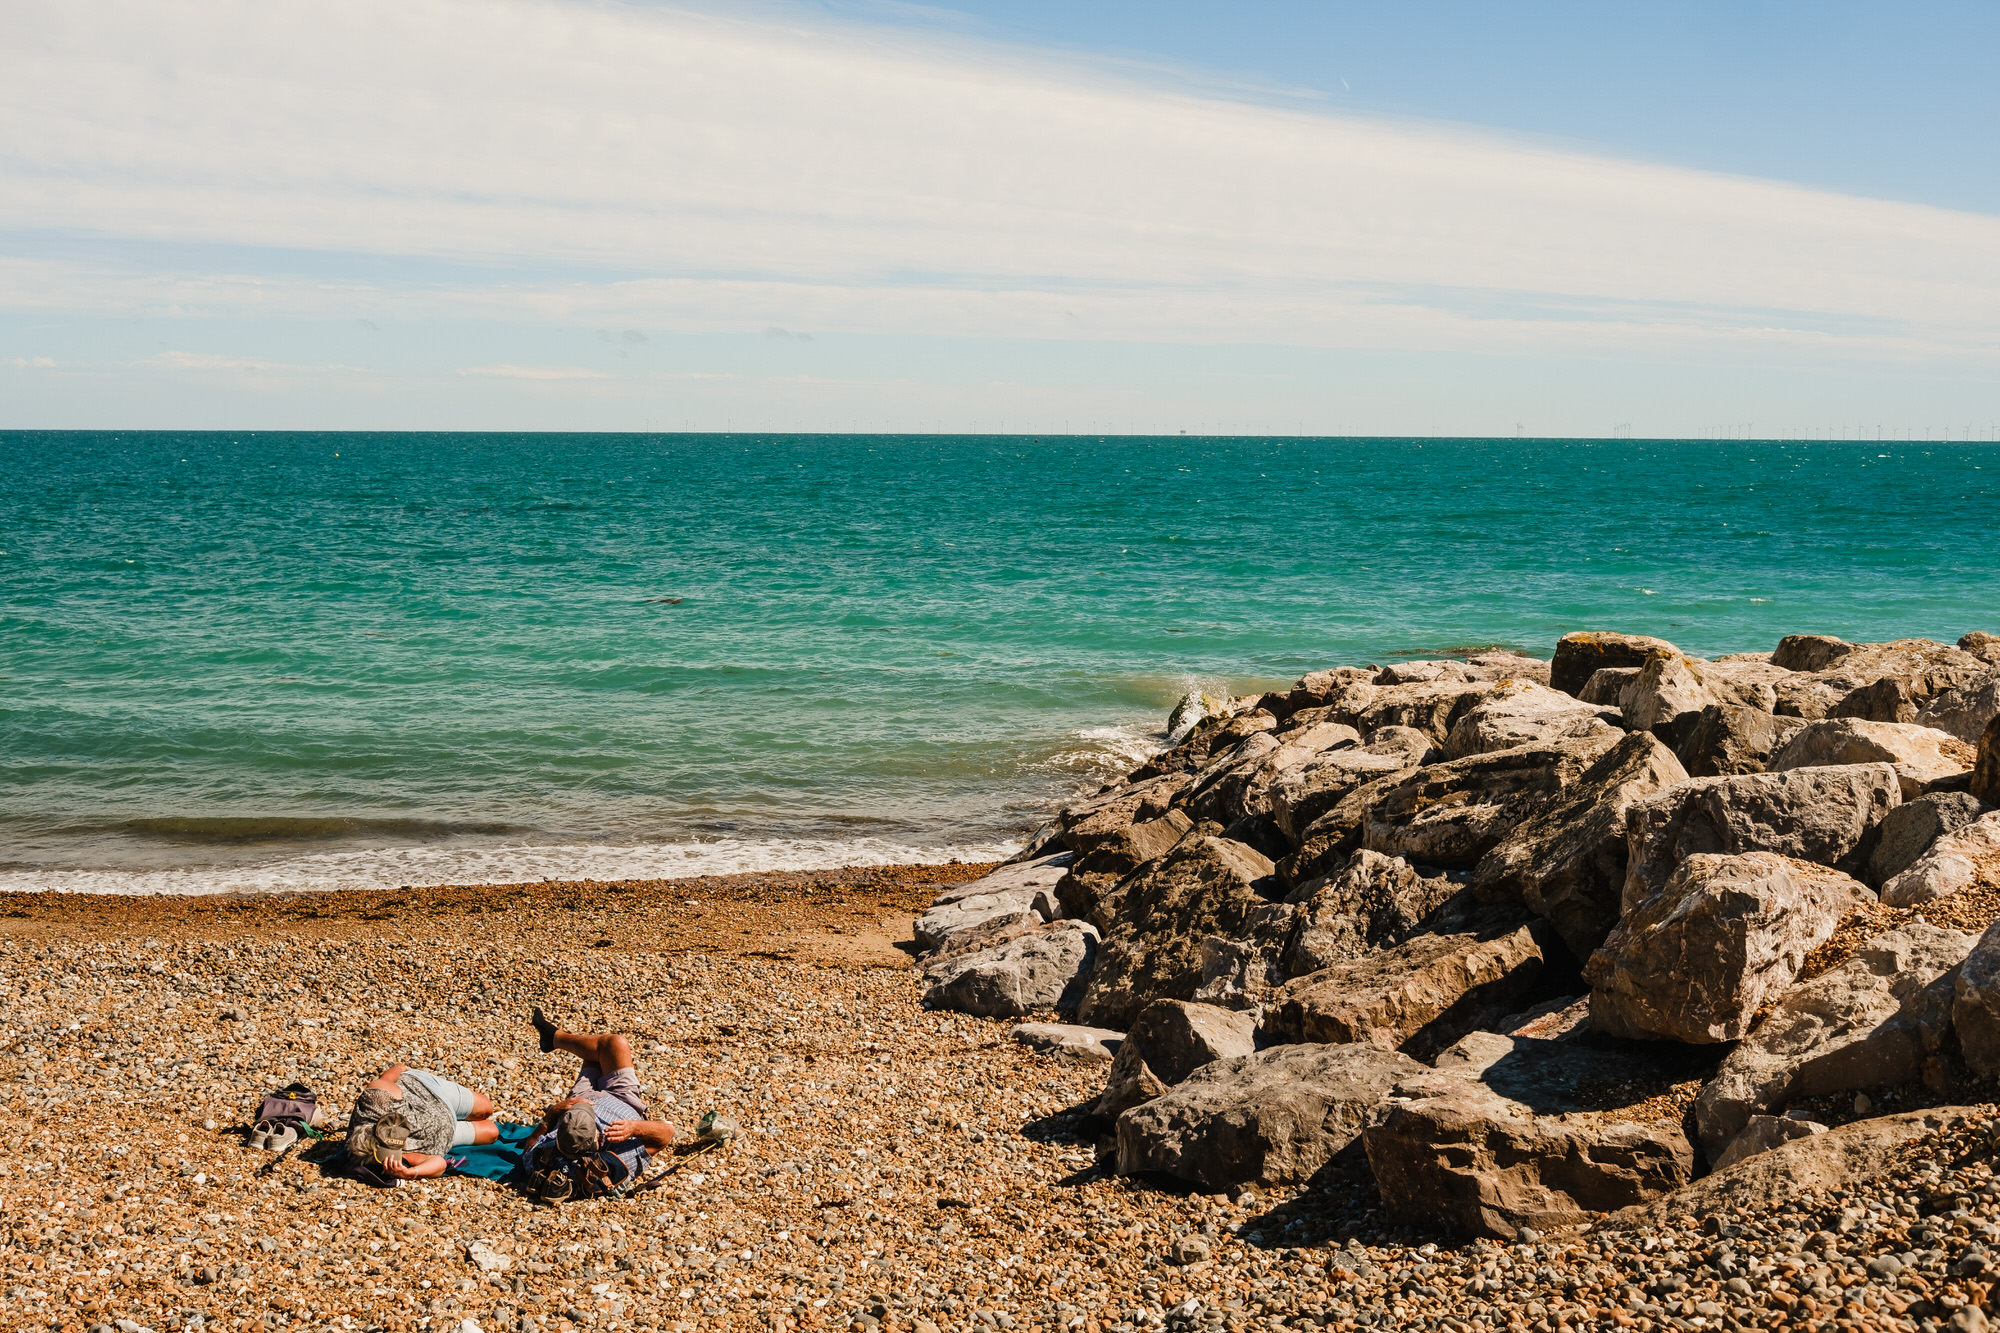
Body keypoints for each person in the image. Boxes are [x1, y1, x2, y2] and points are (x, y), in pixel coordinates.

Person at [522, 1008, 679, 1201]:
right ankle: (555, 1037)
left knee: (595, 1051)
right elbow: (667, 1133)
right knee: (613, 1044)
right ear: (596, 1139)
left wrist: (552, 1114)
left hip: (580, 1096)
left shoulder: (545, 1153)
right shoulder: (610, 1159)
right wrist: (634, 1128)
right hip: (622, 1098)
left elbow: (528, 1150)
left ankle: (553, 1038)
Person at [344, 1063, 500, 1181]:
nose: (403, 1146)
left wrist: (400, 1067)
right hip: (447, 1132)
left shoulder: (376, 1101)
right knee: (492, 1133)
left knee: (486, 1109)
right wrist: (410, 1173)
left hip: (430, 1091)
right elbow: (439, 1164)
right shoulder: (391, 1158)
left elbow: (388, 1078)